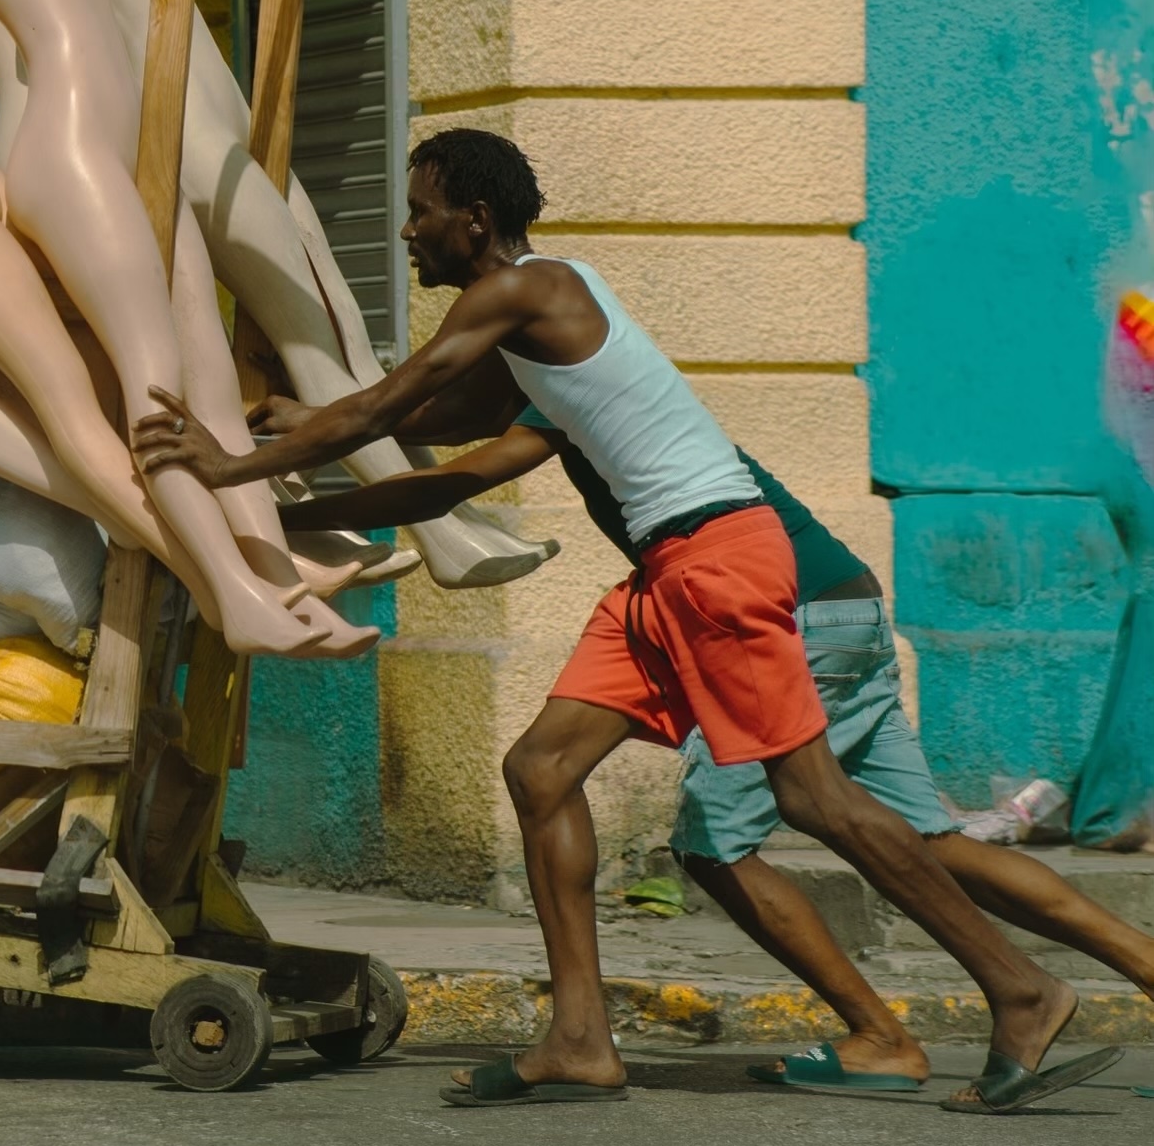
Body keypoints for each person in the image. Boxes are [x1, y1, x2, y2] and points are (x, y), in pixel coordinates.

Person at [133, 126, 1120, 1116]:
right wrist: (284, 460)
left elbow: (390, 408)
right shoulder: (540, 325)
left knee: (817, 802)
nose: (405, 231)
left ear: (472, 221)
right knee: (541, 771)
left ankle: (1022, 990)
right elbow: (436, 438)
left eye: (420, 211)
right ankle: (578, 1040)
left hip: (718, 560)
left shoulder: (524, 290)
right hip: (665, 575)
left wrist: (226, 467)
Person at [248, 411, 1154, 1106]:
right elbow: (438, 417)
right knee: (932, 840)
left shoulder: (566, 361)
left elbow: (443, 450)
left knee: (718, 840)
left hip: (783, 613)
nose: (411, 238)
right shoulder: (575, 379)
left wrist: (294, 466)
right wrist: (324, 420)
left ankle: (883, 1034)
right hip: (841, 600)